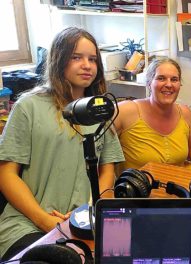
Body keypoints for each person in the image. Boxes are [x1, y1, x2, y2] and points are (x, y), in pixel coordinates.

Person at [0, 27, 125, 260]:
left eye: (92, 59)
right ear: (59, 60)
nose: (87, 65)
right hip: (28, 224)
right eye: (76, 57)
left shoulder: (100, 111)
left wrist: (89, 210)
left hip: (85, 222)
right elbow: (6, 174)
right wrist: (44, 219)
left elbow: (108, 169)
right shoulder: (29, 107)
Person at [114, 58, 191, 173]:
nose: (169, 84)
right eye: (161, 78)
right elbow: (99, 150)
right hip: (138, 190)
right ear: (149, 83)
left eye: (174, 79)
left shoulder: (185, 113)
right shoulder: (125, 111)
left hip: (179, 188)